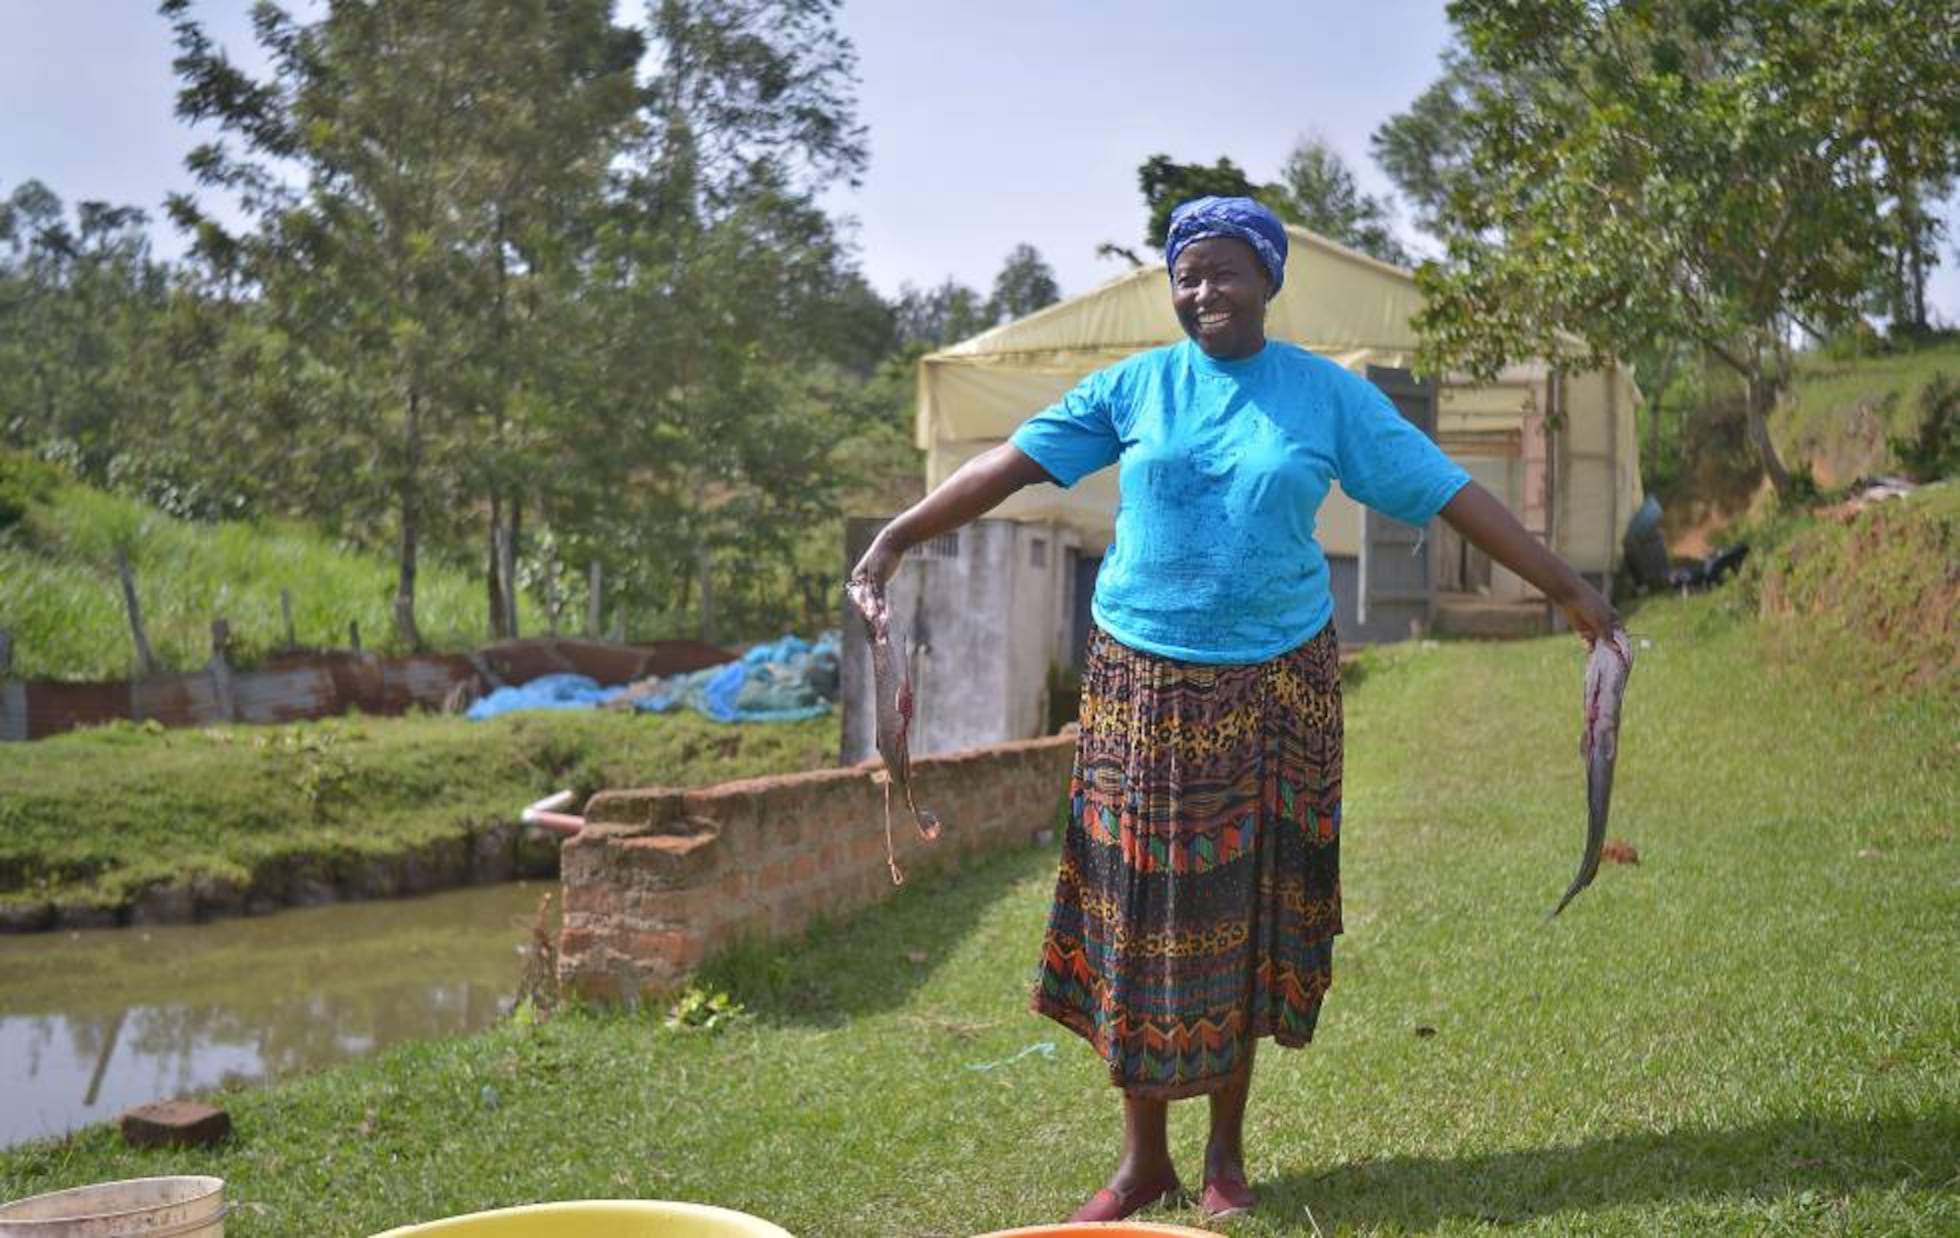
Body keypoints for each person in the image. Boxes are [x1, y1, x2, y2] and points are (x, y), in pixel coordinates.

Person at [848, 196, 1617, 1223]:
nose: (1201, 292)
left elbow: (1443, 491)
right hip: (1139, 684)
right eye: (1185, 275)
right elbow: (1013, 464)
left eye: (1222, 272)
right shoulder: (1137, 385)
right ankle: (1138, 1161)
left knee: (1240, 917)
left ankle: (1222, 1159)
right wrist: (897, 536)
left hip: (1275, 685)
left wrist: (1567, 587)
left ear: (1266, 277)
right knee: (1135, 918)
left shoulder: (1324, 397)